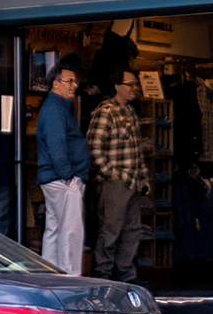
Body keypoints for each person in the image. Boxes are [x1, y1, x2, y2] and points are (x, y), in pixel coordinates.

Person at [89, 71, 151, 283]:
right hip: (115, 183)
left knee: (132, 231)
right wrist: (111, 174)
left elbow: (137, 151)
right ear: (117, 86)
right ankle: (103, 274)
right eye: (130, 84)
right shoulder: (106, 112)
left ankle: (126, 275)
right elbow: (95, 148)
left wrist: (143, 178)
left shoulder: (131, 112)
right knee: (110, 231)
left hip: (133, 182)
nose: (134, 88)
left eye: (135, 85)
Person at [35, 62, 89, 275]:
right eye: (69, 81)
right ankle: (70, 277)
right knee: (70, 231)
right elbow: (57, 144)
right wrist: (68, 175)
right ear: (55, 84)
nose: (73, 86)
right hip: (62, 178)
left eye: (75, 81)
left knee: (55, 229)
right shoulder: (55, 108)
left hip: (55, 177)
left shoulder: (54, 107)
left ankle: (51, 275)